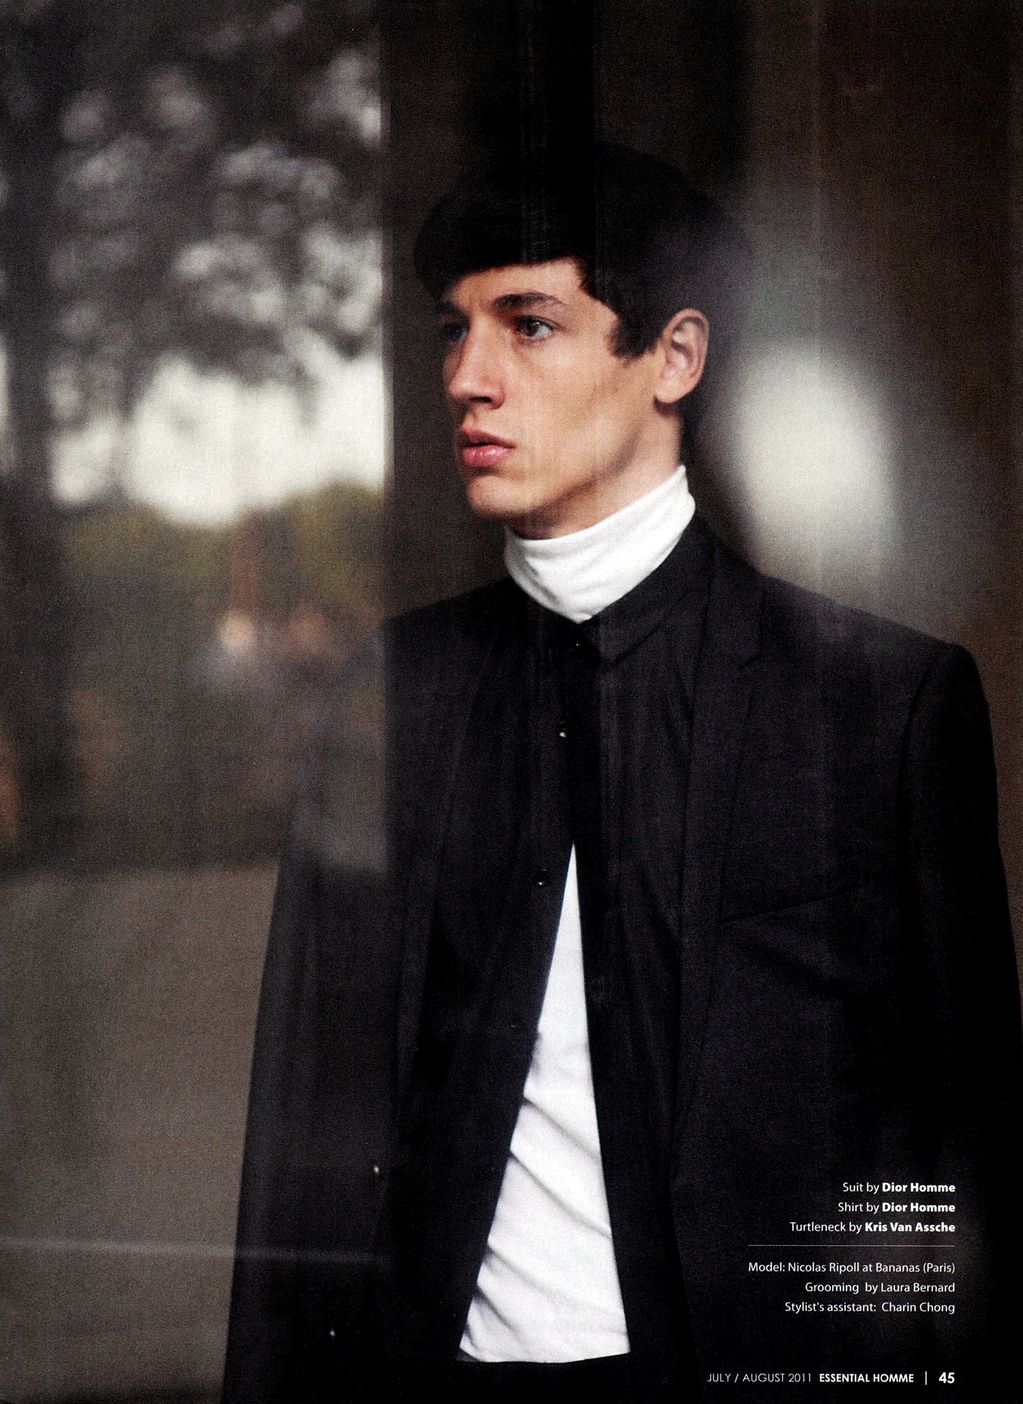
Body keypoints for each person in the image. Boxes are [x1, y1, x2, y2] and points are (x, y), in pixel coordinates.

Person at [222, 145, 1021, 1403]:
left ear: (675, 358)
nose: (467, 377)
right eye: (454, 330)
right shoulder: (390, 694)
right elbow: (304, 1134)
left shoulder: (882, 706)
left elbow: (959, 1155)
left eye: (529, 324)